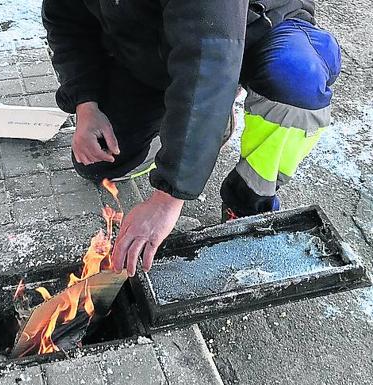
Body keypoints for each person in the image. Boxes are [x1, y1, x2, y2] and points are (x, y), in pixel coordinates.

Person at [42, 0, 341, 276]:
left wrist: (168, 198)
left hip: (255, 29)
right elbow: (66, 22)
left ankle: (248, 199)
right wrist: (86, 104)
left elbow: (209, 58)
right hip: (154, 48)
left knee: (297, 79)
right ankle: (199, 120)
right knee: (99, 162)